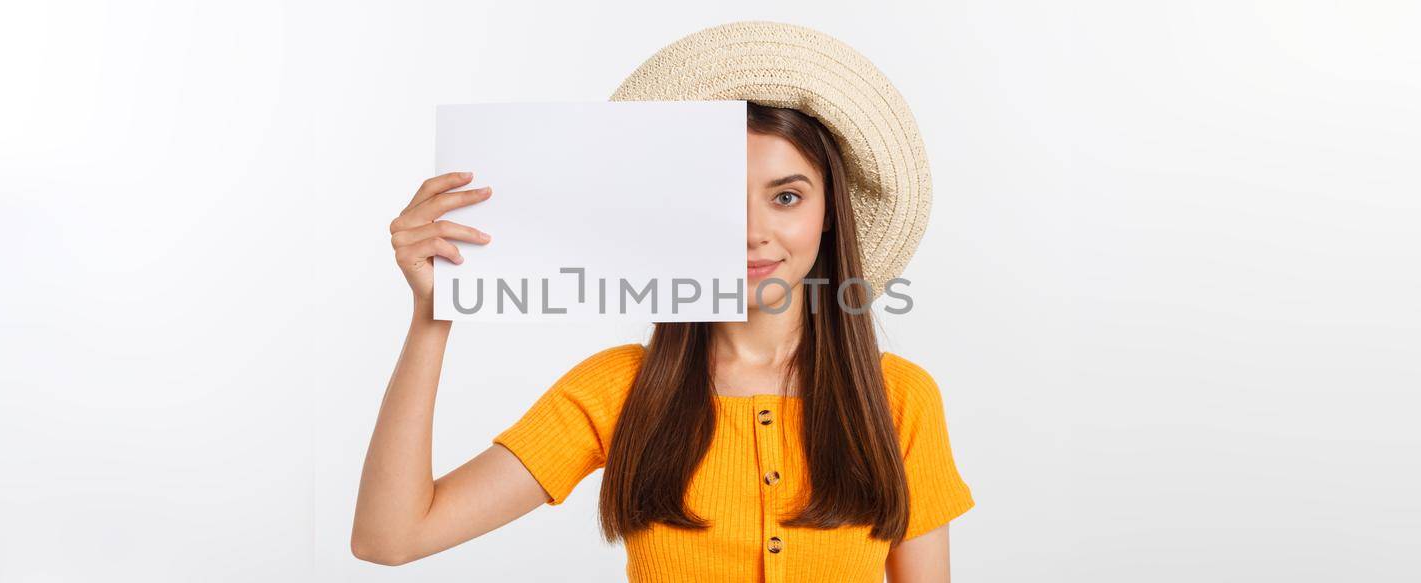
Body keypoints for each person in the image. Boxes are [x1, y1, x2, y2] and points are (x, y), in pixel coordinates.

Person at [352, 22, 975, 582]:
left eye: (786, 197)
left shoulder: (897, 400)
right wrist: (433, 317)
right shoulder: (619, 390)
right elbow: (392, 538)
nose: (754, 230)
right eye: (723, 197)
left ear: (829, 214)